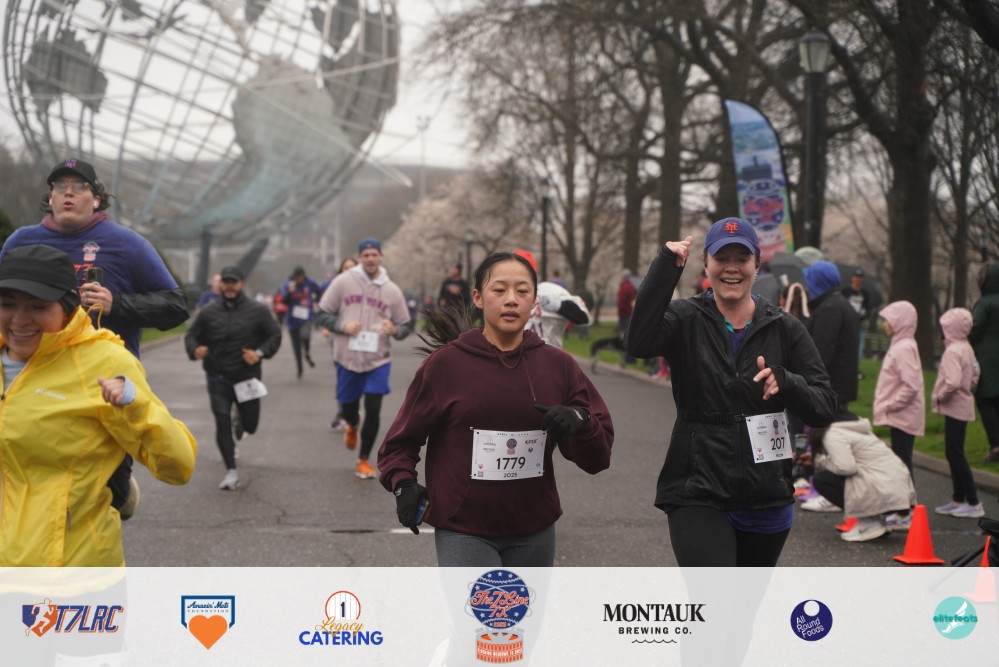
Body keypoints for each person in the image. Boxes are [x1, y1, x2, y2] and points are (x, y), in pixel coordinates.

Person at [377, 251, 613, 566]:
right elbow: (400, 441)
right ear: (478, 297)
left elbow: (598, 458)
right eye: (499, 290)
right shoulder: (446, 364)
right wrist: (403, 484)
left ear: (534, 301)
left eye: (522, 291)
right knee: (483, 603)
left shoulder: (559, 366)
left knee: (525, 604)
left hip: (534, 528)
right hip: (464, 529)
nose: (511, 300)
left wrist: (581, 422)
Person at [624, 217, 837, 567]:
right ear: (706, 264)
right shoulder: (685, 318)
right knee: (716, 598)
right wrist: (665, 267)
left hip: (767, 492)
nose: (732, 268)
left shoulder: (784, 327)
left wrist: (788, 382)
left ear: (757, 265)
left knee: (744, 603)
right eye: (722, 258)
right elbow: (638, 342)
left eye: (742, 258)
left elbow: (825, 405)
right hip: (698, 488)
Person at [1, 158, 190, 520]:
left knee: (106, 492)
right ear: (50, 197)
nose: (68, 193)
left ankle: (120, 496)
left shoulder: (126, 244)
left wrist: (117, 304)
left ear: (97, 198)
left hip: (103, 381)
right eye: (60, 187)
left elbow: (177, 305)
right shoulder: (21, 242)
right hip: (33, 374)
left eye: (79, 186)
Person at [0, 244, 195, 565]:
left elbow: (178, 467)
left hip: (71, 568)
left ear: (68, 307)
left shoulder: (105, 362)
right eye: (7, 304)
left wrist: (136, 407)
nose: (19, 320)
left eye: (37, 306)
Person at [317, 238, 412, 479]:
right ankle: (352, 423)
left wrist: (395, 330)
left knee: (373, 406)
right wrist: (342, 325)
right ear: (360, 257)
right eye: (366, 255)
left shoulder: (391, 290)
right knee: (349, 406)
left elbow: (405, 325)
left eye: (374, 254)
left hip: (378, 359)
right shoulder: (343, 282)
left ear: (381, 256)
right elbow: (322, 314)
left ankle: (364, 460)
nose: (370, 259)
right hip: (347, 357)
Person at [184, 265, 282, 490]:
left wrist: (259, 353)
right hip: (217, 376)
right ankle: (231, 471)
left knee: (251, 425)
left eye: (233, 282)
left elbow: (274, 335)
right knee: (221, 421)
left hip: (246, 376)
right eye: (226, 282)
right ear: (220, 285)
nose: (229, 286)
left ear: (241, 284)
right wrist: (195, 349)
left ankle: (241, 421)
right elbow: (191, 336)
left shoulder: (258, 310)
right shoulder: (208, 311)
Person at [807, 414, 917, 542]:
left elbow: (846, 468)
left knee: (822, 480)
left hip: (884, 493)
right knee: (847, 473)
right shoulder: (857, 428)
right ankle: (879, 521)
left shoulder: (832, 433)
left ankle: (869, 522)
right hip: (901, 494)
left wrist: (819, 461)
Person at [872, 300, 924, 531]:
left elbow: (911, 386)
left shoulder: (904, 348)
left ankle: (906, 512)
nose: (885, 324)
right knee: (901, 462)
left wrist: (890, 406)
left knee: (902, 464)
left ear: (900, 322)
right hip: (900, 416)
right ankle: (904, 509)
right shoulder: (901, 345)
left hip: (903, 416)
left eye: (889, 320)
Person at [931, 307, 984, 518]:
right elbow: (976, 373)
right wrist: (968, 387)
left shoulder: (952, 351)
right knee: (954, 452)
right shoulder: (966, 347)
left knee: (955, 454)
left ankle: (973, 502)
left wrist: (939, 397)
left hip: (955, 407)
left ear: (950, 328)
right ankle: (958, 499)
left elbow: (952, 382)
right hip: (963, 405)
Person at [803, 260, 860, 412]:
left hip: (830, 390)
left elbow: (821, 354)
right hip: (838, 389)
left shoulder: (830, 308)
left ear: (818, 281)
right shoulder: (840, 303)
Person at [514, 249, 591, 349]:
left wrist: (559, 306)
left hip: (547, 355)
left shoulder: (550, 291)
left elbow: (583, 317)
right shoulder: (502, 295)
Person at [322, 256, 358, 431]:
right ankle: (342, 412)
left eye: (353, 267)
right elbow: (326, 311)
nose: (349, 270)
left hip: (362, 340)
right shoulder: (335, 287)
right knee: (342, 375)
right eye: (346, 267)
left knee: (359, 375)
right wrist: (329, 326)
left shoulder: (368, 287)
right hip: (340, 337)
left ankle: (353, 410)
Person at [971, 263, 999, 463]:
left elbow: (976, 329)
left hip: (987, 360)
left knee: (985, 401)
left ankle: (996, 446)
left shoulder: (985, 304)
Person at [589, 268, 639, 371]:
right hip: (630, 314)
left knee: (624, 338)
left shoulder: (624, 287)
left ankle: (627, 359)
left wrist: (621, 313)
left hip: (625, 315)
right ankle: (628, 359)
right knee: (629, 337)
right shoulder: (632, 287)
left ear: (624, 277)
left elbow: (621, 303)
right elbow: (634, 301)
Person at [281, 266, 323, 379]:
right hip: (292, 319)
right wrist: (290, 292)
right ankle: (299, 368)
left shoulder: (310, 283)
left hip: (306, 317)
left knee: (305, 337)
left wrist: (315, 301)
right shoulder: (288, 284)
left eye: (301, 277)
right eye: (297, 277)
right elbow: (284, 301)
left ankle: (307, 352)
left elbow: (319, 292)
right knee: (296, 346)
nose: (299, 279)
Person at [842, 269, 872, 376]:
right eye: (856, 277)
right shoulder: (846, 292)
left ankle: (856, 368)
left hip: (860, 323)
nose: (858, 279)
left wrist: (861, 316)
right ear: (852, 278)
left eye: (860, 277)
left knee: (859, 345)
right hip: (848, 322)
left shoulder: (864, 293)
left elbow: (868, 309)